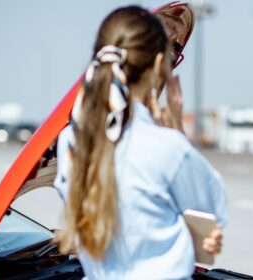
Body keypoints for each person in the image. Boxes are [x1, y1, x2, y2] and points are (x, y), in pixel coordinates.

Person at [52, 6, 227, 279]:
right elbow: (211, 212)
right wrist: (177, 130)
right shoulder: (167, 147)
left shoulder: (70, 142)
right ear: (159, 66)